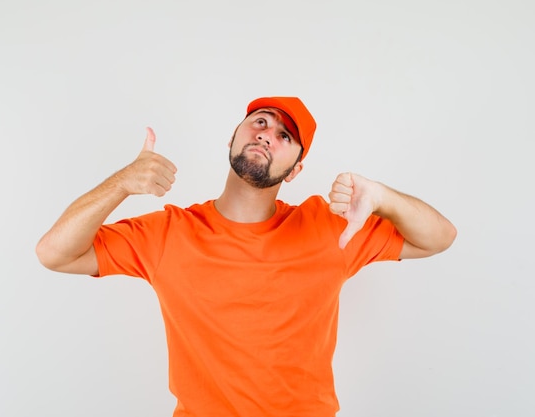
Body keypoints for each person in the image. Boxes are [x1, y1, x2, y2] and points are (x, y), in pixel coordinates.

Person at [36, 96, 457, 417]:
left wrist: (383, 198)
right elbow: (54, 253)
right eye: (260, 123)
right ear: (233, 138)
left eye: (284, 136)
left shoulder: (329, 227)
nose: (266, 135)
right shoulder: (169, 232)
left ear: (294, 171)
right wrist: (121, 183)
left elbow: (439, 237)